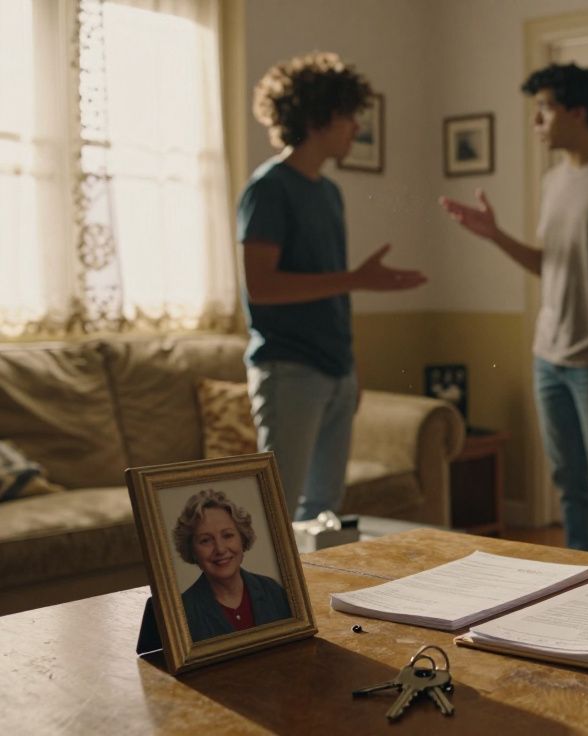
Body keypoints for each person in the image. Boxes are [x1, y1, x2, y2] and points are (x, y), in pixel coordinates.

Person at [439, 63, 588, 558]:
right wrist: (494, 235)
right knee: (568, 482)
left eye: (544, 110)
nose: (536, 122)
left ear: (576, 112)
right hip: (548, 358)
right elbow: (549, 263)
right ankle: (577, 575)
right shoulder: (554, 180)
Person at [239, 52, 426, 521]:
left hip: (335, 370)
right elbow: (260, 287)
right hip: (289, 372)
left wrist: (350, 366)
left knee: (324, 511)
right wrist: (358, 279)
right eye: (348, 118)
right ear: (320, 118)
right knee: (275, 510)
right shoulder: (268, 189)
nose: (355, 130)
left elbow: (333, 295)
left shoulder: (328, 192)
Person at [173, 488, 291, 642]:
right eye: (205, 540)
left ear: (242, 539)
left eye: (227, 535)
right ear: (192, 550)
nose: (220, 549)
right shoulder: (183, 613)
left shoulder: (273, 591)